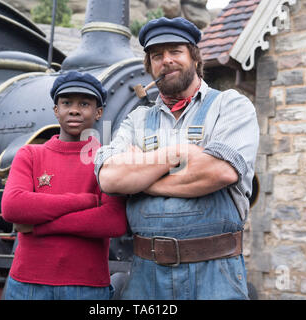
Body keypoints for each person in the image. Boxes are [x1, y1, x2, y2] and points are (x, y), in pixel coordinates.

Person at [94, 17, 260, 300]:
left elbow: (218, 172)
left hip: (216, 274)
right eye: (157, 55)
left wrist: (141, 179)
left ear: (195, 58)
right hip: (146, 277)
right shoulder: (136, 120)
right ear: (149, 66)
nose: (166, 60)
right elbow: (110, 178)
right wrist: (176, 154)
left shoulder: (230, 106)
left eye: (175, 52)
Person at [1, 71, 127, 300]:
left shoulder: (106, 158)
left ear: (98, 112)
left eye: (84, 103)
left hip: (87, 286)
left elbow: (113, 221)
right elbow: (13, 207)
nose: (74, 109)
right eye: (66, 102)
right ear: (56, 110)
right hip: (27, 284)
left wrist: (39, 226)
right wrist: (85, 200)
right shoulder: (29, 154)